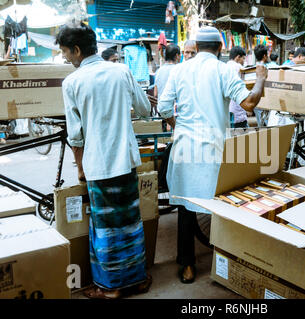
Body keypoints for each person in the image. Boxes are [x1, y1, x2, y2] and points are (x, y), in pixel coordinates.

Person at [157, 26, 267, 284]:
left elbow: (163, 108)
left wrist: (179, 125)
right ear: (220, 48)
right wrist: (261, 77)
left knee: (185, 208)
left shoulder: (179, 70)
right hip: (212, 148)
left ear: (195, 47)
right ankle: (223, 262)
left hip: (184, 147)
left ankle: (187, 266)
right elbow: (249, 103)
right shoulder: (223, 70)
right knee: (218, 205)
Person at [56, 23, 152, 299]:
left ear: (76, 50)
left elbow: (76, 137)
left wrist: (82, 173)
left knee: (106, 228)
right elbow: (145, 110)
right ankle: (136, 280)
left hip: (98, 166)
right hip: (126, 161)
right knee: (131, 222)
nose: (64, 57)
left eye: (65, 52)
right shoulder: (121, 71)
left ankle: (111, 288)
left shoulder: (72, 82)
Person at [227, 46, 248, 128]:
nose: (243, 61)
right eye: (243, 58)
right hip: (238, 111)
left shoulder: (224, 67)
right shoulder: (239, 68)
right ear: (238, 57)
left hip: (227, 111)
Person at [253, 44, 269, 126]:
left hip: (255, 100)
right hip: (266, 101)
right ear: (264, 56)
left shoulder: (252, 69)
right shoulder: (267, 69)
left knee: (260, 125)